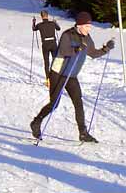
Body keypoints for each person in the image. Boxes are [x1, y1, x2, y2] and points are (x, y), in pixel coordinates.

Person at [30, 11, 115, 143]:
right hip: (58, 73)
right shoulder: (67, 35)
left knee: (78, 103)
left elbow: (93, 53)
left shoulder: (87, 38)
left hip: (71, 75)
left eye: (90, 26)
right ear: (79, 25)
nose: (89, 28)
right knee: (54, 104)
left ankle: (83, 133)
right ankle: (36, 122)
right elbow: (63, 51)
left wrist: (106, 49)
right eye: (87, 26)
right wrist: (76, 49)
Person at [32, 10, 61, 86]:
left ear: (41, 16)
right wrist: (55, 22)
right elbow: (58, 29)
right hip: (53, 44)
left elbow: (34, 29)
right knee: (55, 61)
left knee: (46, 62)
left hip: (45, 45)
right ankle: (57, 78)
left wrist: (34, 22)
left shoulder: (39, 25)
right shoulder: (52, 23)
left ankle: (48, 81)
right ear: (47, 15)